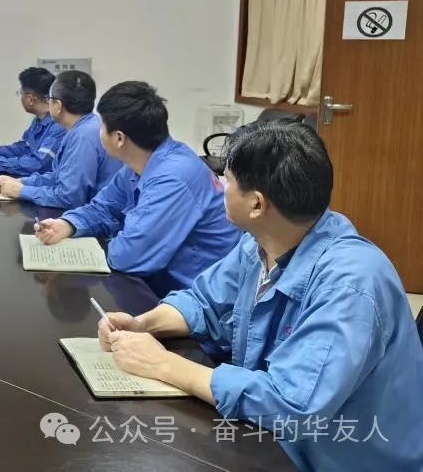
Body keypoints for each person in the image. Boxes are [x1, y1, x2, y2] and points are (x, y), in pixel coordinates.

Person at [97, 121, 423, 472]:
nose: (221, 186)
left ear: (256, 204)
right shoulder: (263, 241)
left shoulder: (351, 284)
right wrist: (144, 324)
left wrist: (162, 364)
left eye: (227, 179)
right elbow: (206, 301)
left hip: (336, 457)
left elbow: (291, 404)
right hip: (271, 439)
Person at [36, 81, 239, 296]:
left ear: (119, 138)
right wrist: (68, 224)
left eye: (101, 126)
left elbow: (128, 256)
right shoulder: (139, 164)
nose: (98, 132)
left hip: (193, 298)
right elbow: (103, 207)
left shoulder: (173, 177)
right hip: (157, 284)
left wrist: (99, 245)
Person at [0, 70, 122, 209]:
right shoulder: (80, 129)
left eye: (49, 98)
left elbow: (69, 197)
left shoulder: (83, 136)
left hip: (99, 217)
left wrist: (22, 191)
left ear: (58, 105)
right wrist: (21, 182)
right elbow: (58, 178)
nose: (47, 103)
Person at [0, 67, 64, 176]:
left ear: (31, 99)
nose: (20, 97)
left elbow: (37, 164)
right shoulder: (38, 121)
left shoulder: (59, 126)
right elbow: (23, 148)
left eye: (21, 93)